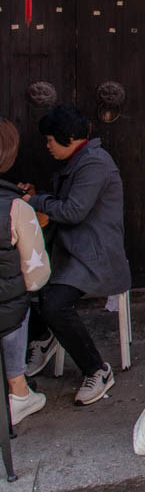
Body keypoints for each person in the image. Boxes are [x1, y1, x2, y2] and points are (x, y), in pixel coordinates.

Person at [20, 105, 130, 406]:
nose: (47, 146)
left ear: (68, 138)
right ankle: (45, 338)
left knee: (55, 304)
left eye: (50, 140)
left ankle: (97, 369)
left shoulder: (95, 164)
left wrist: (34, 200)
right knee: (28, 285)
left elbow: (72, 210)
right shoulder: (80, 160)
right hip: (71, 249)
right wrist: (36, 196)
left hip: (94, 255)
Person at [0, 119, 50, 425]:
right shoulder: (16, 208)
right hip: (4, 316)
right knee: (16, 304)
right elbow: (36, 276)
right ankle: (18, 390)